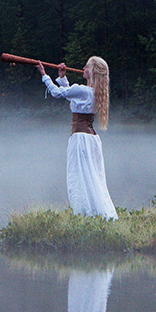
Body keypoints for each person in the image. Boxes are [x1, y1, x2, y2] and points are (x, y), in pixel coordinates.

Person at [42, 57, 116, 219]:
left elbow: (56, 93)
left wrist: (44, 74)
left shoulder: (83, 90)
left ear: (93, 72)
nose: (83, 67)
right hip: (91, 139)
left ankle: (86, 214)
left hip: (81, 139)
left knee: (80, 176)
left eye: (87, 66)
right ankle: (95, 213)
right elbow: (71, 95)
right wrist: (62, 77)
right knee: (92, 177)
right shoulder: (95, 92)